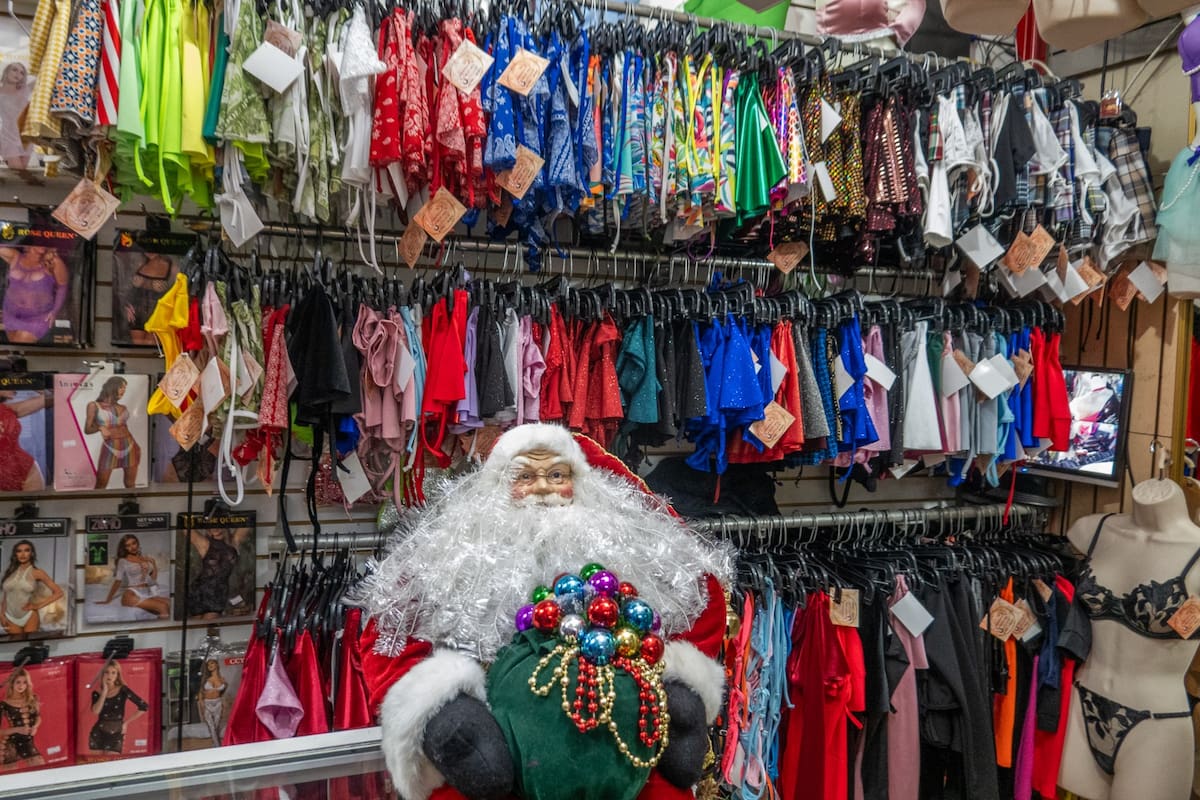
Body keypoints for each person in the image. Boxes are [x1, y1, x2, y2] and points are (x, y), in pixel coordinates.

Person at [357, 423, 730, 800]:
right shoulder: (449, 558)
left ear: (579, 482)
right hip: (503, 747)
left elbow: (700, 602)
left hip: (613, 744)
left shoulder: (623, 549)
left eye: (556, 475)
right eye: (524, 475)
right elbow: (389, 644)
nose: (542, 489)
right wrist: (443, 709)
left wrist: (678, 685)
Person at [0, 246, 69, 344]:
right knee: (15, 348)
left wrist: (55, 311)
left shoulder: (53, 261)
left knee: (20, 344)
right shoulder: (15, 256)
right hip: (11, 313)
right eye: (40, 241)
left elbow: (62, 287)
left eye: (47, 242)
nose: (44, 244)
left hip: (38, 317)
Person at [83, 376, 141, 490]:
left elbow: (125, 427)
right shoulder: (94, 406)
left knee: (130, 485)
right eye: (121, 387)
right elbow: (87, 429)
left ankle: (130, 505)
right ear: (112, 387)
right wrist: (100, 427)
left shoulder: (122, 407)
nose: (123, 391)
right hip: (110, 447)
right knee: (101, 485)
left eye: (125, 388)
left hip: (130, 446)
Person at [96, 534, 169, 618]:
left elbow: (152, 580)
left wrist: (154, 564)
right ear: (124, 548)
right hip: (132, 594)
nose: (132, 547)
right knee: (163, 606)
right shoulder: (123, 561)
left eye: (134, 543)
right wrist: (108, 600)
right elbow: (118, 581)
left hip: (146, 592)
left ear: (137, 543)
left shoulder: (144, 558)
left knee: (169, 603)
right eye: (128, 545)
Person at [1, 540, 63, 635]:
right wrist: (1, 615)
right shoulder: (9, 572)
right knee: (15, 646)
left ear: (32, 553)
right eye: (19, 551)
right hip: (10, 616)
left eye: (26, 550)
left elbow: (59, 592)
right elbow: (6, 596)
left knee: (30, 647)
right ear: (15, 554)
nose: (22, 554)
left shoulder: (37, 572)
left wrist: (37, 606)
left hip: (29, 616)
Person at [87, 661, 148, 754]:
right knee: (96, 765)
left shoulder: (123, 690)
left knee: (113, 766)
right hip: (98, 733)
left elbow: (144, 706)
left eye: (113, 672)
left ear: (117, 675)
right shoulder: (97, 693)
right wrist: (104, 691)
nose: (109, 675)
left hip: (116, 733)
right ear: (102, 674)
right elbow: (96, 711)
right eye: (106, 672)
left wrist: (126, 723)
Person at [0, 390, 50, 492]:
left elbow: (55, 398)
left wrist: (36, 385)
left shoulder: (8, 409)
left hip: (28, 471)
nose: (15, 388)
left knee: (38, 506)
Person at [121, 253, 176, 346]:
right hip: (136, 313)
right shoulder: (137, 262)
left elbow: (177, 293)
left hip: (158, 314)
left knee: (151, 346)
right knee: (138, 348)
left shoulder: (172, 266)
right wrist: (125, 306)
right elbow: (122, 288)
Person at [187, 528, 237, 620]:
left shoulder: (234, 541)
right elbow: (185, 527)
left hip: (218, 594)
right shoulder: (204, 543)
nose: (216, 529)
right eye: (212, 527)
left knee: (207, 626)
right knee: (198, 629)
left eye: (219, 526)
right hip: (198, 593)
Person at [0, 667, 42, 769]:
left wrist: (35, 727)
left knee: (40, 771)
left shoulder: (32, 699)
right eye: (18, 682)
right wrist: (18, 729)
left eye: (24, 682)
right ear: (12, 683)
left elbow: (38, 717)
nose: (21, 686)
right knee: (11, 780)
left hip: (27, 742)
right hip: (10, 745)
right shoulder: (4, 704)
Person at [0, 63, 33, 171]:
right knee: (19, 171)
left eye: (22, 73)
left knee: (22, 171)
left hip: (26, 136)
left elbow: (43, 79)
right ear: (6, 71)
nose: (18, 74)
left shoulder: (25, 89)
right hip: (7, 137)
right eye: (14, 70)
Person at [196, 659, 227, 746]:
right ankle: (217, 746)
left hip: (218, 703)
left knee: (216, 726)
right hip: (207, 703)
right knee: (211, 726)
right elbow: (200, 692)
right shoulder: (205, 679)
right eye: (208, 665)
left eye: (212, 663)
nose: (210, 665)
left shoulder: (222, 679)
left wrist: (222, 701)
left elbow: (222, 693)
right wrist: (201, 702)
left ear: (217, 664)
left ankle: (215, 744)